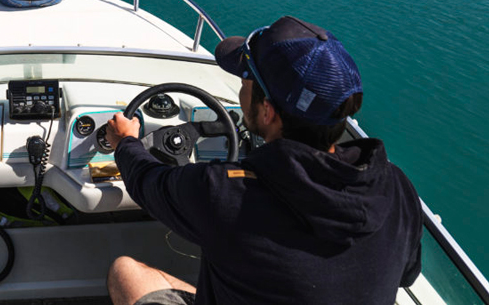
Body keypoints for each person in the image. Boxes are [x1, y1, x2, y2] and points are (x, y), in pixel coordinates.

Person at [105, 16, 422, 305]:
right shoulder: (395, 187)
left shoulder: (226, 194)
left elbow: (146, 182)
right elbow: (407, 275)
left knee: (125, 272)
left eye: (244, 83)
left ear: (268, 111)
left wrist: (126, 142)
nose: (241, 91)